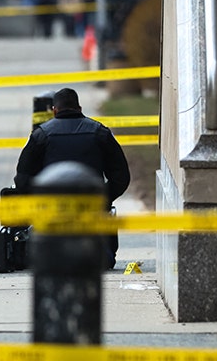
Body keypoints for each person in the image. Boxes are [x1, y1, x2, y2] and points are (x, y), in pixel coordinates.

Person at [12, 87, 130, 269]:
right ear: (80, 108)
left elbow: (22, 179)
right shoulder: (100, 133)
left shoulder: (41, 135)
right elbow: (121, 176)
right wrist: (103, 199)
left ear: (54, 110)